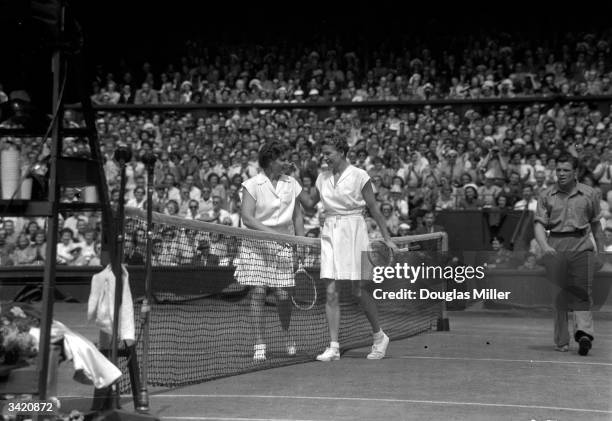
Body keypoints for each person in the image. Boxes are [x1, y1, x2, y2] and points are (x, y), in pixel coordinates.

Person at [300, 135, 397, 362]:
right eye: (323, 153)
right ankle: (333, 347)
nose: (325, 158)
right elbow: (308, 202)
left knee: (358, 290)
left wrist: (387, 238)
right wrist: (289, 181)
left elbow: (373, 208)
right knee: (331, 290)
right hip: (330, 232)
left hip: (355, 230)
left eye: (328, 153)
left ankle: (379, 336)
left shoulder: (359, 175)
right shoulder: (322, 177)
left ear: (342, 152)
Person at [236, 141, 305, 362]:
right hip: (256, 244)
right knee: (258, 292)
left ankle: (287, 335)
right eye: (282, 158)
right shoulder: (252, 184)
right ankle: (259, 342)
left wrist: (300, 242)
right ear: (270, 161)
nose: (286, 162)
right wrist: (273, 236)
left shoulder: (292, 183)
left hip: (283, 242)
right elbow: (247, 217)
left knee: (283, 295)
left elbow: (298, 216)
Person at [534, 153, 603, 356]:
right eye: (558, 170)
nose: (561, 174)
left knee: (582, 293)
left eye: (566, 170)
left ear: (576, 172)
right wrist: (544, 246)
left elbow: (596, 225)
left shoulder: (589, 194)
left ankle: (584, 335)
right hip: (556, 249)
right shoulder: (546, 195)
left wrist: (602, 252)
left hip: (582, 247)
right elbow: (538, 224)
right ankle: (562, 341)